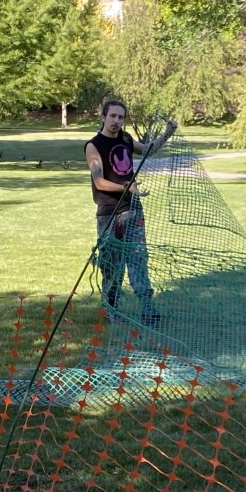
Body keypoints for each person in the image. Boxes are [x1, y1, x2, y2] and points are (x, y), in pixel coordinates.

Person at [85, 99, 176, 327]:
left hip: (133, 210)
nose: (116, 121)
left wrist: (167, 133)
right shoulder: (93, 146)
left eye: (121, 117)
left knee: (138, 259)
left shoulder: (125, 139)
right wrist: (127, 188)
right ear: (103, 117)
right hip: (109, 214)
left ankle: (147, 308)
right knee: (112, 265)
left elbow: (147, 150)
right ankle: (111, 309)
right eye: (112, 116)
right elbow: (99, 181)